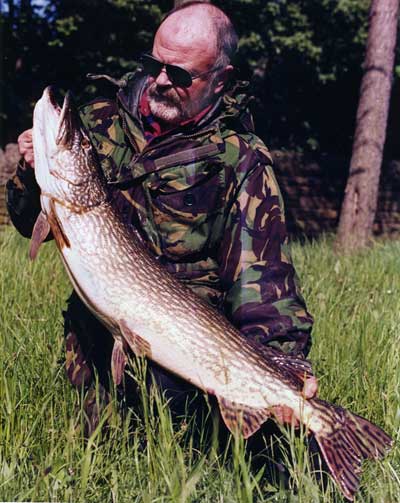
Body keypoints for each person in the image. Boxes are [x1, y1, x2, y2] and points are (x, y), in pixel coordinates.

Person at [7, 0, 316, 469]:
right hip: (97, 348)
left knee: (248, 464)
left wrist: (282, 365)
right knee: (97, 465)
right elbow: (30, 216)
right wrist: (31, 174)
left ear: (221, 79)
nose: (161, 80)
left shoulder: (240, 159)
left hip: (187, 348)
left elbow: (264, 278)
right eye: (154, 65)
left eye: (181, 74)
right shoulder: (100, 119)